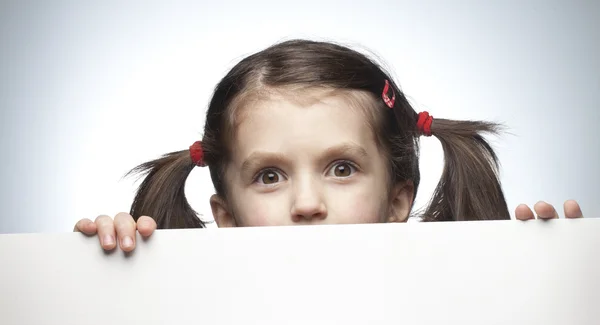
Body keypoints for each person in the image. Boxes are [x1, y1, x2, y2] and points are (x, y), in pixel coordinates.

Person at [74, 39, 584, 253]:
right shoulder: (183, 311)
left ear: (398, 201)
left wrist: (553, 284)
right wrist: (113, 272)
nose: (308, 205)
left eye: (342, 168)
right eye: (269, 176)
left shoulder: (465, 303)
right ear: (226, 216)